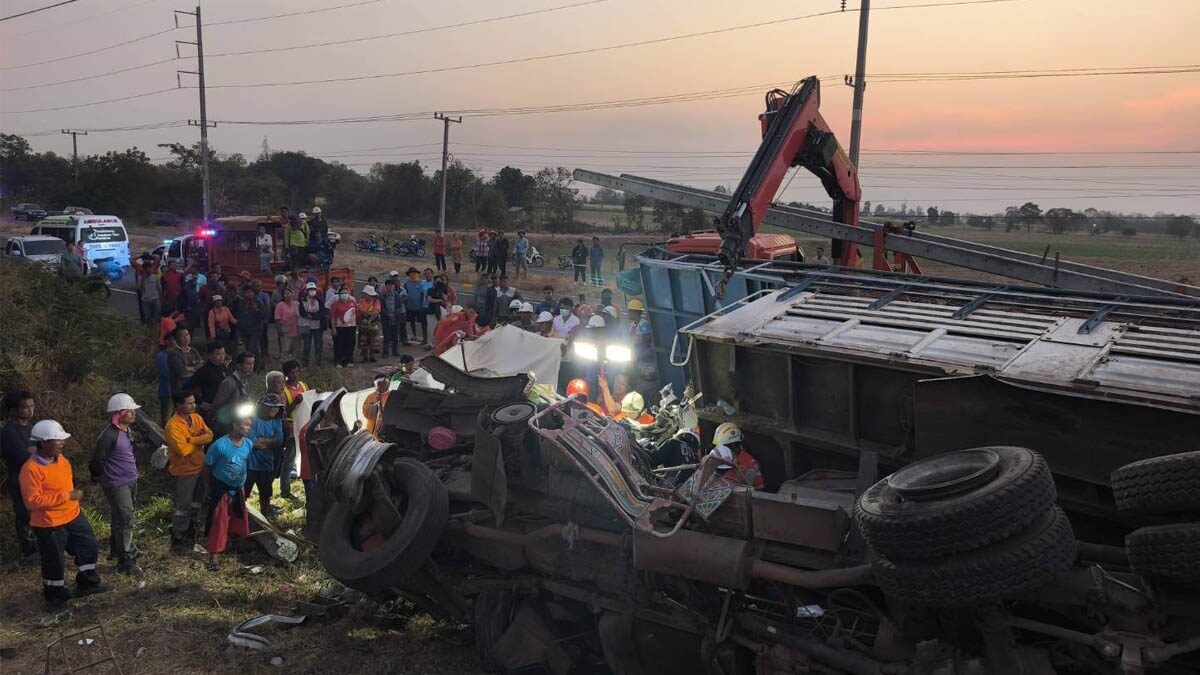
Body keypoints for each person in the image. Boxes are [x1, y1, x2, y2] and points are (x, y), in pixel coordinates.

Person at [22, 420, 109, 610]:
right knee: (54, 560)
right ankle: (55, 597)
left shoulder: (62, 460)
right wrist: (66, 497)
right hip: (49, 523)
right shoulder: (30, 470)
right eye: (58, 440)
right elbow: (32, 501)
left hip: (73, 515)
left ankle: (87, 582)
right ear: (44, 443)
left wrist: (74, 502)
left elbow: (67, 485)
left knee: (88, 546)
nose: (62, 443)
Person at [89, 393, 143, 576]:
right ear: (118, 413)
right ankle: (125, 559)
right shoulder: (109, 435)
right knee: (126, 517)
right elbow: (97, 460)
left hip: (129, 479)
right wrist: (98, 476)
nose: (133, 414)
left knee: (120, 517)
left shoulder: (126, 431)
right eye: (129, 411)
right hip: (116, 482)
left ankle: (117, 549)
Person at [202, 415, 252, 571]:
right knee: (219, 520)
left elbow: (244, 462)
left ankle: (234, 543)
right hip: (221, 488)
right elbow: (207, 467)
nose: (248, 428)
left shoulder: (248, 444)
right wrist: (208, 487)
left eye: (250, 425)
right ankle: (214, 555)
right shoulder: (219, 446)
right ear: (235, 425)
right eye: (245, 425)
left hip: (238, 488)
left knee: (237, 517)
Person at [165, 392, 213, 550]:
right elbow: (182, 450)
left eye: (194, 402)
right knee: (183, 505)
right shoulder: (173, 426)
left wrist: (192, 440)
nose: (193, 405)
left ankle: (192, 531)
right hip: (184, 471)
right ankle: (178, 535)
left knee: (197, 502)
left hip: (201, 466)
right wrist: (199, 441)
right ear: (179, 405)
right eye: (189, 403)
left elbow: (209, 435)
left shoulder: (197, 418)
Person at [2, 391, 39, 561]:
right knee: (25, 515)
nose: (30, 410)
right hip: (19, 480)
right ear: (14, 410)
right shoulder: (9, 432)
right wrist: (37, 453)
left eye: (31, 406)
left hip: (38, 479)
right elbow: (23, 456)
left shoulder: (33, 427)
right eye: (25, 407)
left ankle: (39, 548)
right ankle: (29, 552)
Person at [247, 394, 286, 516]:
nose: (274, 410)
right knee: (244, 492)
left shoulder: (277, 421)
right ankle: (242, 518)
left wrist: (262, 441)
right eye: (271, 407)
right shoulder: (252, 419)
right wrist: (269, 440)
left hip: (266, 463)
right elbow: (252, 441)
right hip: (249, 464)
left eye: (276, 407)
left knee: (265, 493)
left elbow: (279, 439)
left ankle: (265, 516)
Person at [279, 361, 308, 500]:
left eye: (297, 371)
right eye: (292, 373)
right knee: (289, 460)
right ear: (286, 375)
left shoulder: (303, 385)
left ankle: (303, 480)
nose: (295, 375)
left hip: (304, 427)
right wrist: (295, 402)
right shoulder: (283, 390)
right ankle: (285, 491)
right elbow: (283, 412)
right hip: (291, 430)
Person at [212, 351, 254, 436]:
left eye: (252, 363)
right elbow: (218, 405)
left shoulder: (244, 380)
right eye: (248, 364)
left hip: (241, 421)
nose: (251, 366)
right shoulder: (229, 382)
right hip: (228, 425)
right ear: (239, 365)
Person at [712, 422, 763, 489]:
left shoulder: (750, 464)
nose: (719, 449)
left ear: (733, 446)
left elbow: (747, 489)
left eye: (723, 446)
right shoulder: (720, 456)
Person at [235, 287, 267, 369]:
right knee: (248, 349)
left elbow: (264, 315)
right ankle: (251, 367)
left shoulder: (258, 302)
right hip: (244, 330)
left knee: (253, 347)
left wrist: (256, 310)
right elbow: (239, 316)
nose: (248, 294)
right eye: (246, 292)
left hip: (255, 330)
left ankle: (258, 366)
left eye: (250, 292)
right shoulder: (240, 303)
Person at [298, 282, 327, 367]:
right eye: (310, 289)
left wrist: (313, 316)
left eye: (314, 289)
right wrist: (310, 315)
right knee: (306, 345)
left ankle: (318, 362)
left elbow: (323, 312)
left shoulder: (320, 300)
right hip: (306, 325)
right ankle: (306, 363)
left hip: (318, 326)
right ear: (306, 291)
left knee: (318, 345)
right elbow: (302, 312)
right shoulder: (302, 300)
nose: (312, 291)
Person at [330, 286, 358, 367]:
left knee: (350, 343)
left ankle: (349, 360)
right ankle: (338, 361)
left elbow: (356, 313)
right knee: (339, 344)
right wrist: (333, 328)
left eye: (345, 293)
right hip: (340, 327)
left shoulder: (352, 302)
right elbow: (332, 317)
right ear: (339, 295)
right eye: (342, 293)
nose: (344, 295)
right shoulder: (335, 304)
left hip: (351, 326)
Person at [358, 285, 382, 363]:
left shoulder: (376, 301)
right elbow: (361, 310)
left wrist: (370, 319)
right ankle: (365, 356)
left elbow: (377, 311)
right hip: (364, 322)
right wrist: (369, 314)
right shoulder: (361, 301)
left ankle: (372, 356)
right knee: (364, 339)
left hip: (373, 322)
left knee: (373, 339)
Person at [274, 286, 300, 359]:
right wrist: (279, 330)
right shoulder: (280, 305)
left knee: (296, 349)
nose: (288, 295)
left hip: (296, 329)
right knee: (285, 349)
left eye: (289, 293)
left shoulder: (297, 304)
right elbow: (277, 319)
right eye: (285, 294)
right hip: (285, 330)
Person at [156, 332, 176, 425]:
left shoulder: (180, 354)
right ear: (167, 342)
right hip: (167, 391)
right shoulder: (161, 356)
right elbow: (167, 373)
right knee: (166, 418)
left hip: (179, 390)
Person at [403, 268, 427, 345]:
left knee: (422, 322)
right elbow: (405, 293)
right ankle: (414, 335)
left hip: (419, 306)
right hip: (410, 306)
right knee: (412, 321)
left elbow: (422, 294)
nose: (413, 274)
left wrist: (421, 304)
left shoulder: (420, 283)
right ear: (409, 274)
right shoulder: (407, 283)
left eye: (414, 273)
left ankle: (425, 337)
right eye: (411, 273)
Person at [139, 260, 161, 325]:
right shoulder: (141, 278)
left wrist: (161, 298)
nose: (149, 270)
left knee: (156, 315)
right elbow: (141, 288)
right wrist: (144, 277)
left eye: (149, 268)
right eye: (147, 269)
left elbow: (159, 288)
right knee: (148, 316)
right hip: (146, 300)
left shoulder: (155, 277)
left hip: (155, 298)